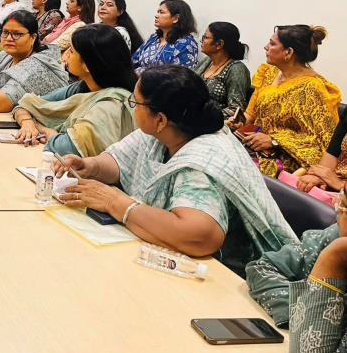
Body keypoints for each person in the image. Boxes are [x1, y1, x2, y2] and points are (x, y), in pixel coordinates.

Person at [54, 65, 297, 275]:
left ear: (159, 118)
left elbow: (200, 235)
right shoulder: (165, 132)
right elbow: (118, 162)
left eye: (135, 103)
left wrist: (116, 203)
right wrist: (89, 166)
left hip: (228, 277)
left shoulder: (203, 159)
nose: (132, 107)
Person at [246, 188, 347, 353]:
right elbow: (264, 267)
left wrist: (332, 258)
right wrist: (301, 313)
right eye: (342, 205)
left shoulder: (339, 248)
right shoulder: (334, 235)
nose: (340, 216)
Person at [233, 25, 340, 179]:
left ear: (288, 52)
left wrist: (275, 141)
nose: (266, 47)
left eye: (272, 44)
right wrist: (240, 122)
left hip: (287, 158)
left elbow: (323, 142)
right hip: (255, 143)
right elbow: (251, 113)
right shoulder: (270, 73)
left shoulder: (312, 88)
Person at [12, 24, 136, 157]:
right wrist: (27, 123)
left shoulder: (111, 105)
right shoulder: (83, 87)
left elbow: (67, 148)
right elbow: (25, 104)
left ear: (87, 64)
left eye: (71, 51)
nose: (66, 55)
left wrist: (40, 128)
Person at [192, 22, 251, 115]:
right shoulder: (207, 61)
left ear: (219, 44)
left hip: (215, 123)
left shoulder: (236, 69)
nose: (201, 41)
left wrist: (202, 115)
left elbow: (235, 110)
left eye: (206, 37)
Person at [131, 0, 199, 73]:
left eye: (161, 12)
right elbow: (133, 61)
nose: (156, 15)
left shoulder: (186, 44)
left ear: (176, 18)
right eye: (157, 12)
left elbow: (181, 76)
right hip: (139, 82)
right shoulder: (154, 37)